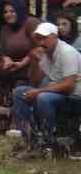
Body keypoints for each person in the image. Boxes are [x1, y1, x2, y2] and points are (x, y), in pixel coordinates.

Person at [9, 21, 81, 153]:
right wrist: (35, 62)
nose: (41, 42)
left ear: (55, 36)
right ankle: (30, 139)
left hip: (75, 97)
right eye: (39, 39)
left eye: (45, 38)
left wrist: (39, 91)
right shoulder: (47, 54)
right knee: (19, 92)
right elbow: (36, 82)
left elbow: (69, 85)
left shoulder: (66, 52)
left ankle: (49, 142)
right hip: (59, 94)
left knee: (43, 97)